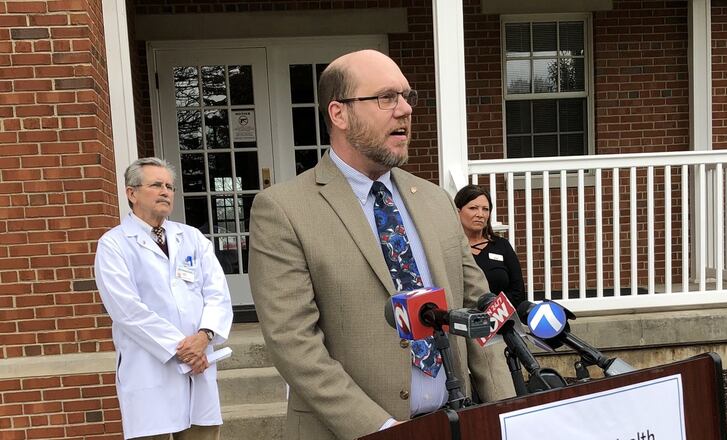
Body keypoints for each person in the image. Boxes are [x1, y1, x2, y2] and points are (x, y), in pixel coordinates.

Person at [248, 50, 514, 440]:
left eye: (407, 96)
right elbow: (294, 344)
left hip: (454, 422)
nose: (405, 109)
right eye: (386, 97)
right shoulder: (283, 210)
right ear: (339, 114)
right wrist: (383, 431)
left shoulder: (435, 200)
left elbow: (480, 312)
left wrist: (502, 412)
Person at [94, 157, 233, 440]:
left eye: (169, 186)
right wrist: (183, 349)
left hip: (198, 363)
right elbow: (127, 310)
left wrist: (204, 337)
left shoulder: (192, 238)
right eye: (156, 185)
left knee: (202, 433)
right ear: (131, 193)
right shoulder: (114, 244)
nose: (165, 191)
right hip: (150, 367)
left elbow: (217, 293)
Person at [454, 184, 525, 307]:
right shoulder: (451, 249)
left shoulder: (502, 246)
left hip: (503, 320)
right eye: (473, 208)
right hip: (464, 321)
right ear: (458, 211)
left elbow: (518, 291)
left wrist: (494, 312)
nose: (480, 214)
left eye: (485, 209)